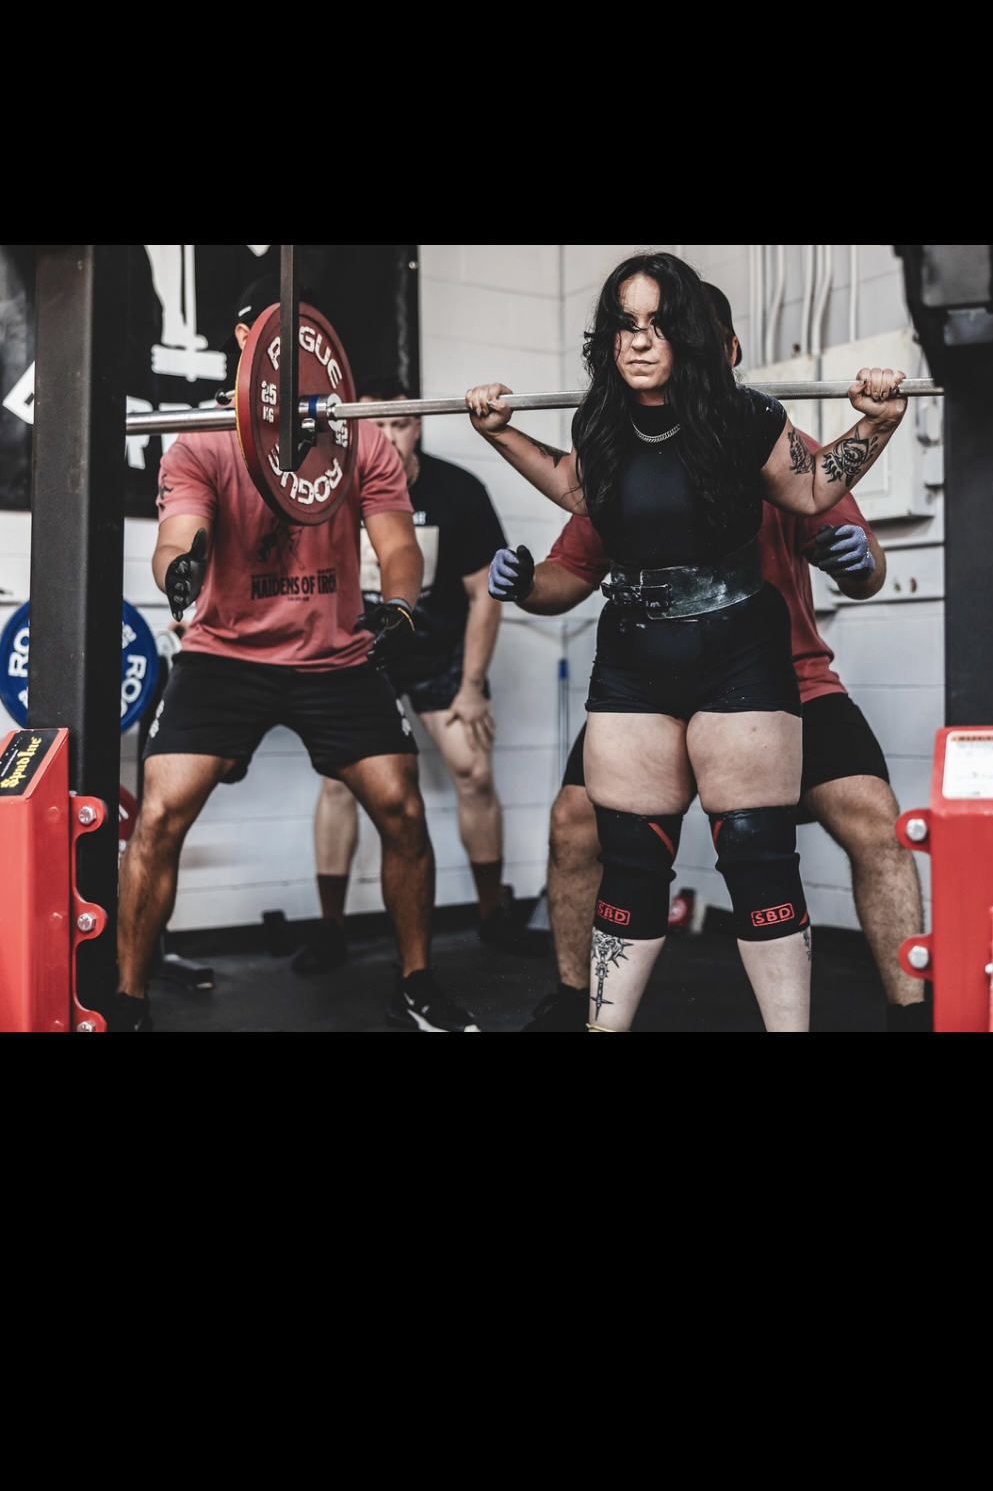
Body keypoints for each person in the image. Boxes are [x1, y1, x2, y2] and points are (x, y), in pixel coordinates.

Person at [466, 252, 907, 1034]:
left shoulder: (758, 426)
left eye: (662, 326)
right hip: (638, 663)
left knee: (773, 845)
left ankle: (910, 1013)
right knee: (618, 849)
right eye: (627, 326)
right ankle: (584, 1013)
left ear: (708, 343)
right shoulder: (602, 430)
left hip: (769, 665)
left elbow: (821, 503)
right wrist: (501, 444)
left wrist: (875, 426)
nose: (640, 342)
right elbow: (575, 500)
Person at [113, 276, 480, 1035]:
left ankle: (416, 985)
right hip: (223, 656)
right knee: (157, 818)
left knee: (402, 809)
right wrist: (182, 567)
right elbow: (179, 535)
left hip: (335, 657)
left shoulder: (360, 437)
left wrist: (403, 605)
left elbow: (399, 545)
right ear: (245, 347)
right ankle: (127, 1000)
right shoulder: (204, 438)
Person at [293, 408, 523, 971]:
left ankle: (492, 914)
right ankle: (331, 928)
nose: (387, 436)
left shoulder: (458, 490)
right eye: (374, 425)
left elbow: (485, 595)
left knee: (473, 769)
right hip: (357, 655)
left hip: (436, 651)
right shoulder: (325, 489)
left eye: (398, 423)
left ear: (416, 427)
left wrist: (471, 686)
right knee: (339, 785)